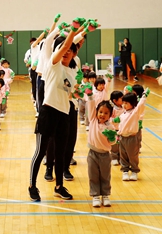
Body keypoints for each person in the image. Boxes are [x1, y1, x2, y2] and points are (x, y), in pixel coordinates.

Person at [29, 22, 85, 202]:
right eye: (63, 48)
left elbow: (72, 93)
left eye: (70, 50)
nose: (67, 51)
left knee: (61, 153)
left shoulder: (71, 73)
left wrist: (82, 93)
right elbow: (66, 45)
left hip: (64, 114)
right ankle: (32, 186)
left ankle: (59, 186)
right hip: (48, 112)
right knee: (40, 152)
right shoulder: (53, 64)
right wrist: (75, 31)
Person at [86, 92, 116, 207]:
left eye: (106, 113)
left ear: (110, 115)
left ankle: (105, 195)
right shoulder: (93, 120)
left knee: (105, 175)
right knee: (93, 175)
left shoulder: (110, 127)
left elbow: (112, 142)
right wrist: (90, 96)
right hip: (92, 153)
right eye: (100, 112)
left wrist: (112, 138)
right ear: (96, 112)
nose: (102, 115)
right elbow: (91, 105)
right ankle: (95, 196)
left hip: (105, 155)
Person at [118, 89, 148, 181]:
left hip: (132, 138)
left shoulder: (135, 112)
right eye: (123, 103)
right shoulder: (123, 113)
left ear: (133, 103)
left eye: (126, 103)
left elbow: (141, 105)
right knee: (123, 155)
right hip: (122, 137)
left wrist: (144, 96)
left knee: (133, 156)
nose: (124, 105)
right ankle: (125, 171)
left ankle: (134, 171)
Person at [109, 90, 124, 166]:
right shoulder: (112, 109)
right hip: (114, 129)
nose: (123, 99)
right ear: (115, 101)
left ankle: (121, 158)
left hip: (122, 129)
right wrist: (114, 120)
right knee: (114, 145)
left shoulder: (124, 107)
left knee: (122, 145)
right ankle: (114, 157)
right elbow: (109, 119)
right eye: (121, 98)